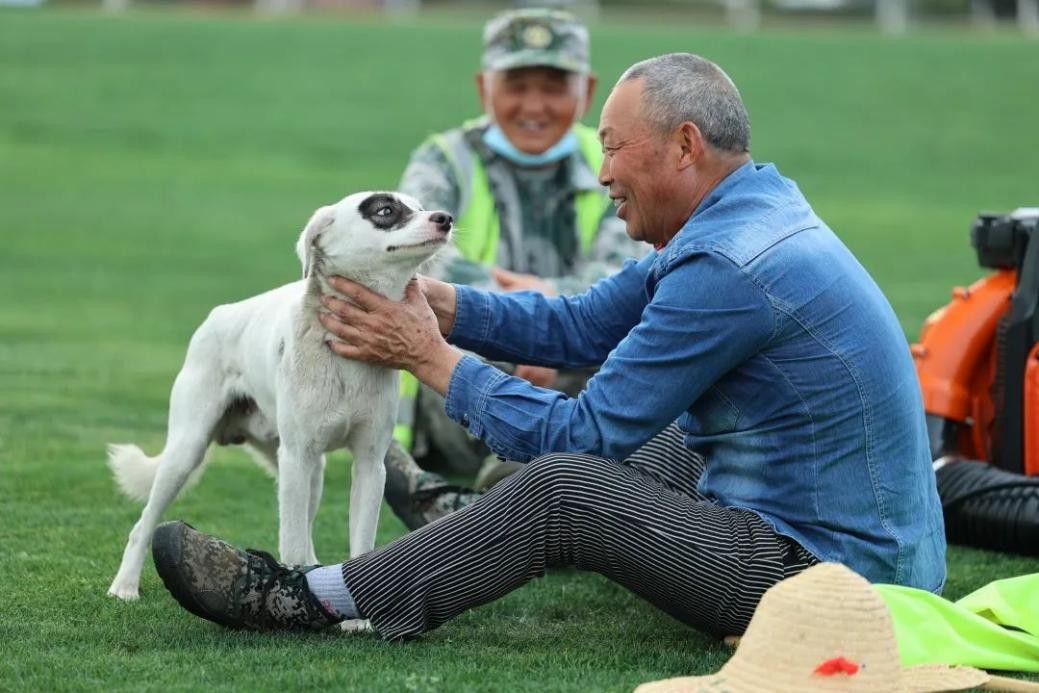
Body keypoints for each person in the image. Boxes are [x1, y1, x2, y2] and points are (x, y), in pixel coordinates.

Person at [150, 53, 947, 642]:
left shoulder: (727, 267)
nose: (601, 172)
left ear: (683, 145)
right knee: (661, 440)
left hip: (835, 583)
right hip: (848, 543)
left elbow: (586, 434)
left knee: (565, 486)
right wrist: (443, 307)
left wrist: (428, 357)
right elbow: (581, 325)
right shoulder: (748, 209)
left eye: (614, 147)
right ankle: (473, 522)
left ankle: (308, 596)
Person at [384, 7, 645, 530]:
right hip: (471, 375)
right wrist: (527, 324)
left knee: (638, 350)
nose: (534, 106)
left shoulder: (618, 158)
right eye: (517, 86)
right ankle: (548, 486)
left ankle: (503, 494)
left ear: (588, 91)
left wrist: (551, 319)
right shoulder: (443, 160)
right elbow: (417, 259)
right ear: (485, 87)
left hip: (582, 366)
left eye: (553, 87)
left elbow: (634, 268)